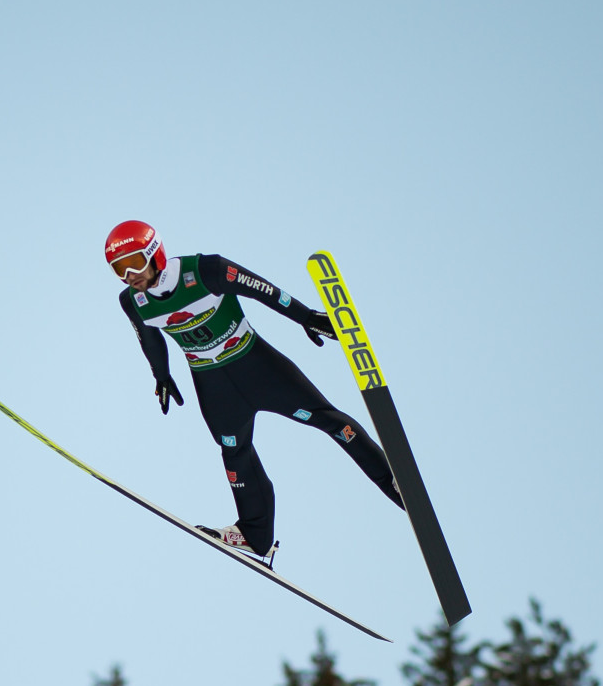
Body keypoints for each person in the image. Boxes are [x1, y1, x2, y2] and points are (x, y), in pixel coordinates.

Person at [107, 219, 402, 562]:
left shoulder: (205, 269)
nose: (130, 275)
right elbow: (149, 337)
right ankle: (254, 535)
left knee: (330, 421)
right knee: (234, 453)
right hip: (214, 387)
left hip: (258, 367)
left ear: (156, 254)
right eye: (119, 269)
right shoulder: (133, 301)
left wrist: (305, 316)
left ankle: (395, 483)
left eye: (135, 263)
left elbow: (262, 290)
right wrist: (161, 374)